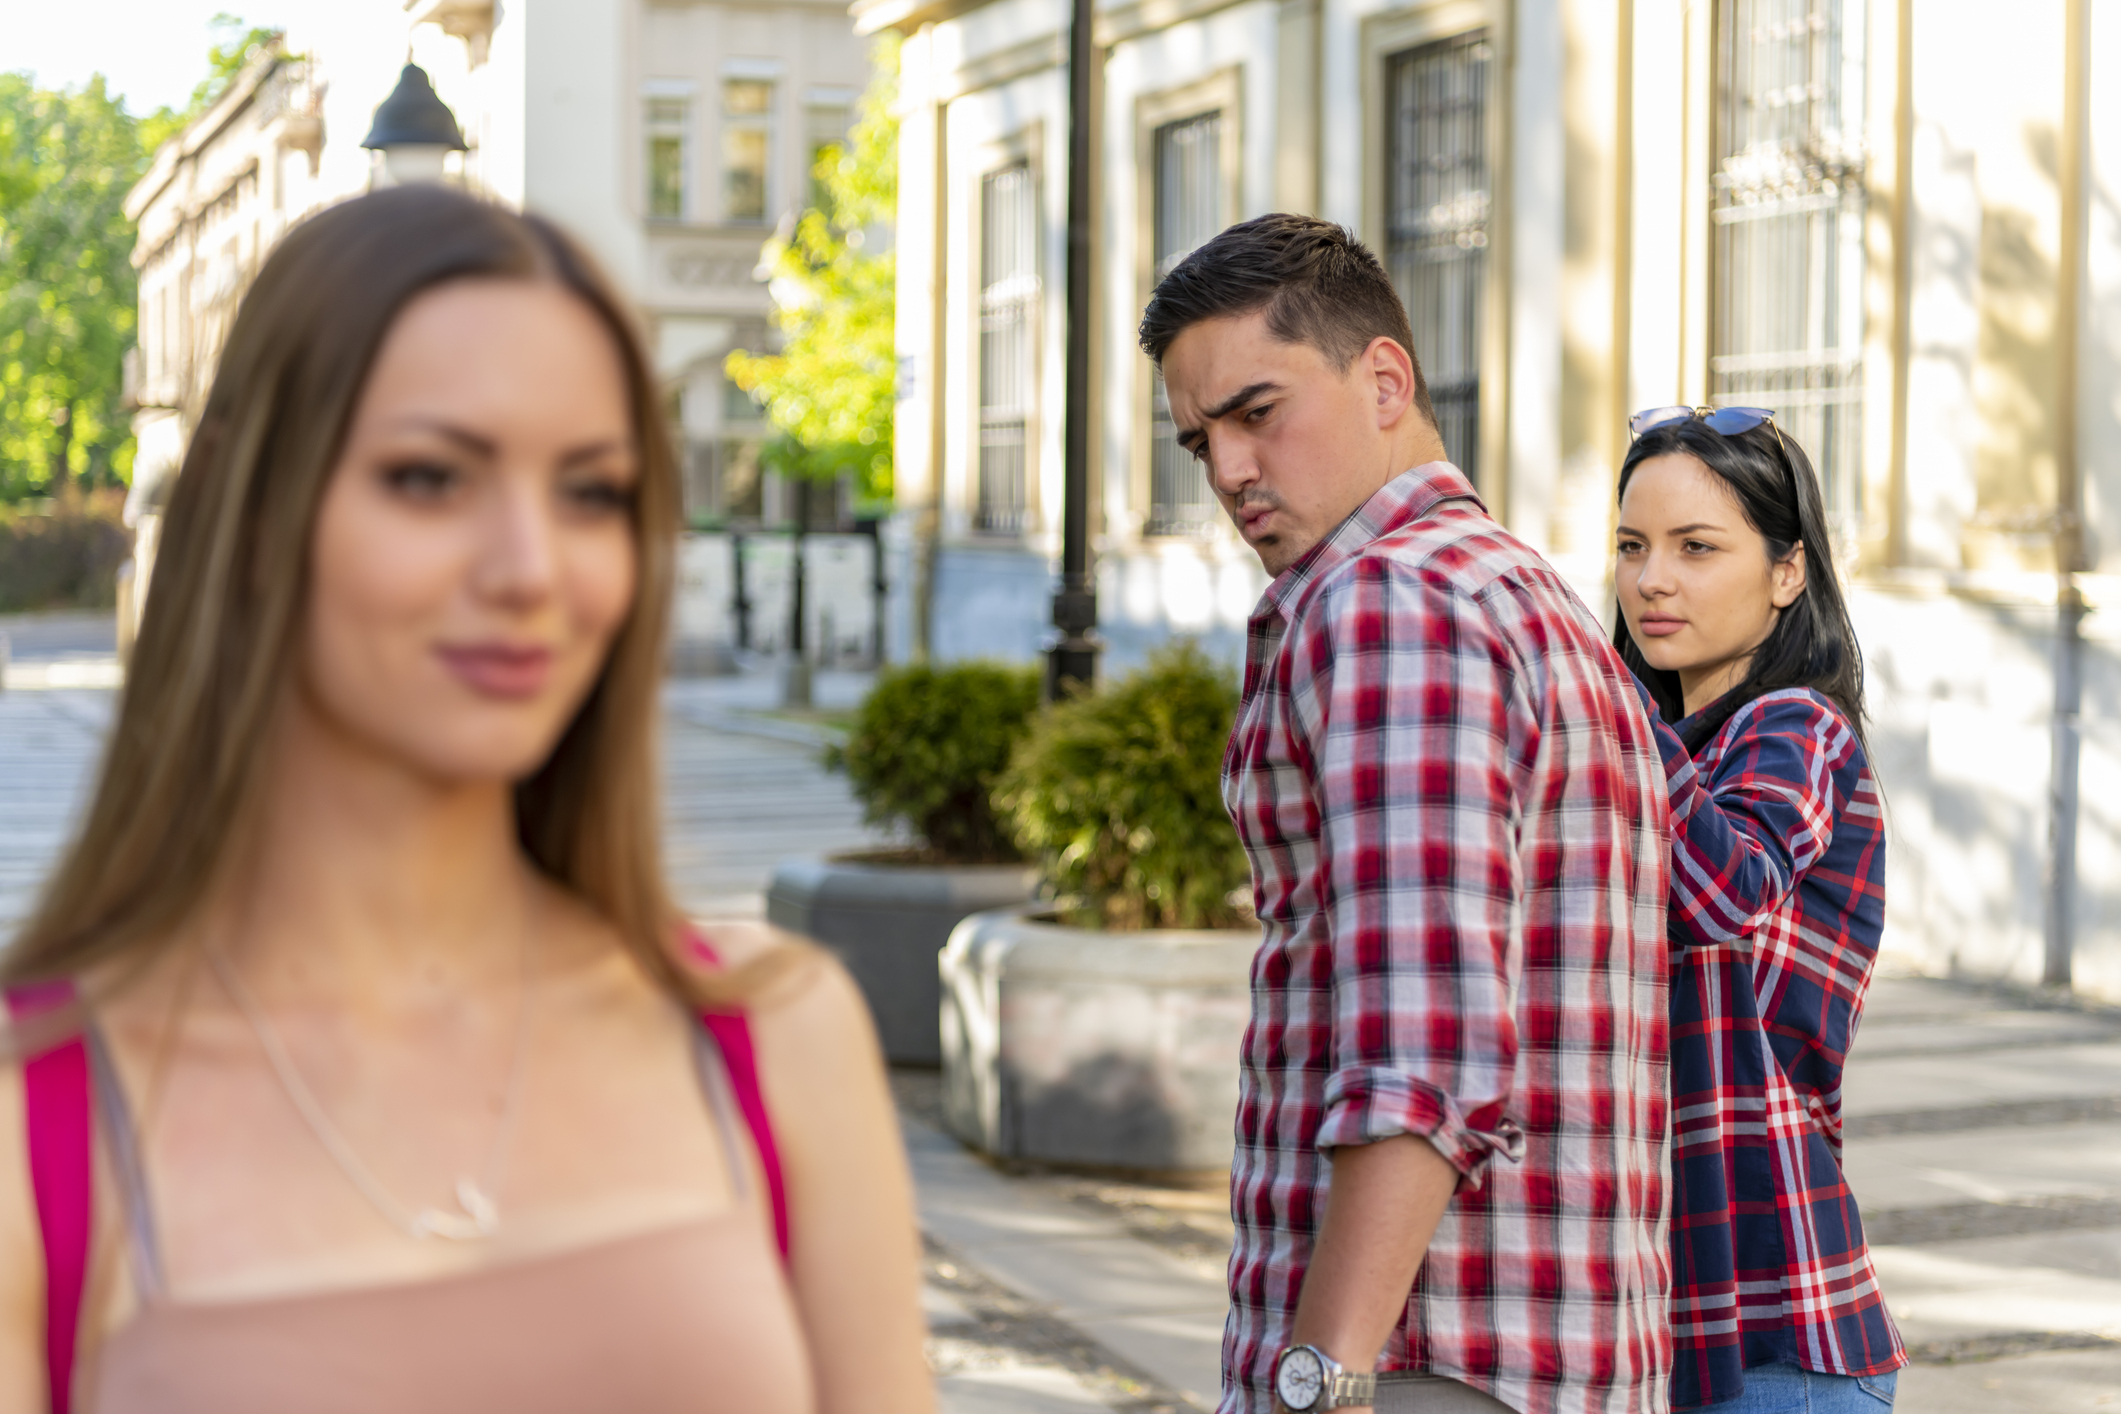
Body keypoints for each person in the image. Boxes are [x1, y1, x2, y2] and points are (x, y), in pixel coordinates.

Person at [0, 185, 931, 1414]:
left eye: (591, 491)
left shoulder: (776, 1033)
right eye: (431, 477)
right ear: (254, 507)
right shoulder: (35, 1111)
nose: (531, 569)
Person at [1141, 211, 1674, 1414]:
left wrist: (1314, 1382)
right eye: (1198, 440)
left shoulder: (1392, 602)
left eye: (1258, 413)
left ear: (1385, 377)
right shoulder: (1520, 588)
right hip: (1558, 1351)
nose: (1227, 471)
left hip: (1428, 1360)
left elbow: (1420, 1056)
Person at [1611, 408, 1905, 1412]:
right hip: (1658, 1319)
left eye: (1697, 548)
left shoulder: (1797, 728)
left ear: (1788, 572)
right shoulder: (1659, 749)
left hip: (1782, 1334)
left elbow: (1719, 889)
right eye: (1632, 546)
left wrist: (1605, 704)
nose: (1654, 579)